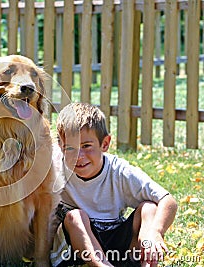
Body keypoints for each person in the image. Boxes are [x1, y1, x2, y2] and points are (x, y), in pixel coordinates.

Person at [50, 102, 177, 267]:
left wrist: (155, 231)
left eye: (86, 146)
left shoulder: (120, 172)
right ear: (61, 146)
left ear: (105, 144)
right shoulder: (54, 167)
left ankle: (144, 262)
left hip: (116, 243)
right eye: (70, 148)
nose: (79, 156)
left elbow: (168, 201)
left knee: (149, 208)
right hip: (76, 250)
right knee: (74, 216)